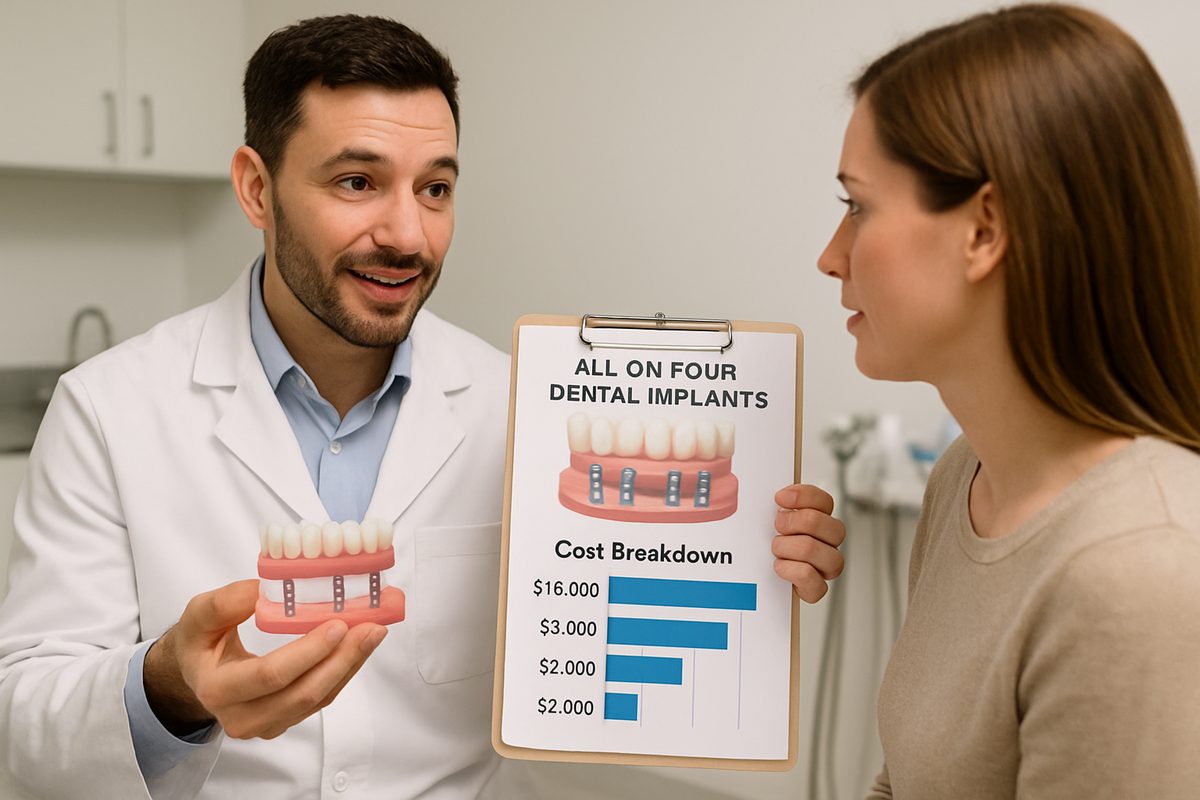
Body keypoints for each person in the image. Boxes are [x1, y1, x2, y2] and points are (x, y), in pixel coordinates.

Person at [0, 13, 844, 800]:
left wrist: (739, 562)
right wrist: (170, 685)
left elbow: (617, 642)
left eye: (435, 189)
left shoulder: (524, 411)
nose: (407, 234)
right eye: (358, 181)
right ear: (257, 190)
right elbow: (23, 718)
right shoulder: (109, 410)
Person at [774, 4, 1200, 798]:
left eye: (858, 206)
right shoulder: (965, 479)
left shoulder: (1139, 572)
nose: (831, 257)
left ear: (985, 229)